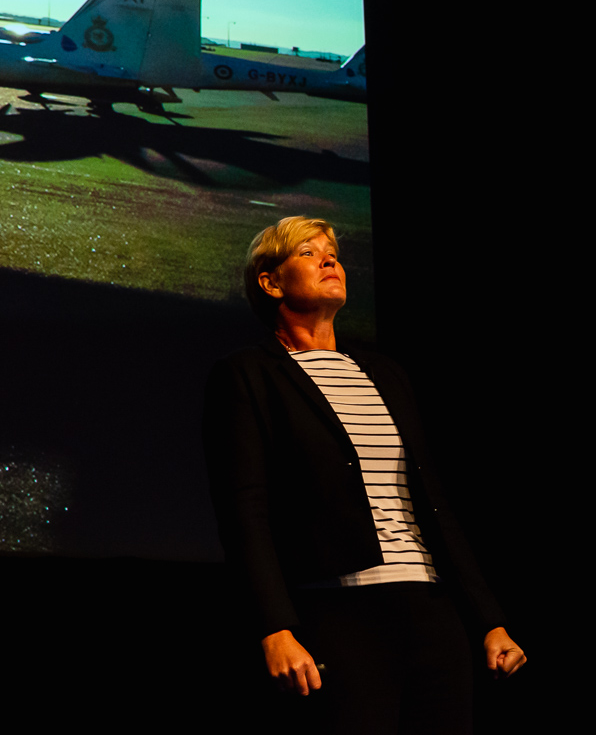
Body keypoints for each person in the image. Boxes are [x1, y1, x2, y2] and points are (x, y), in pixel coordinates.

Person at [203, 216, 524, 733]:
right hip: (340, 616)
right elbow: (245, 511)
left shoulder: (385, 374)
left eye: (332, 252)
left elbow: (434, 504)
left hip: (432, 610)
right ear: (271, 281)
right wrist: (275, 628)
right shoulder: (248, 375)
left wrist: (489, 619)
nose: (330, 260)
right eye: (308, 253)